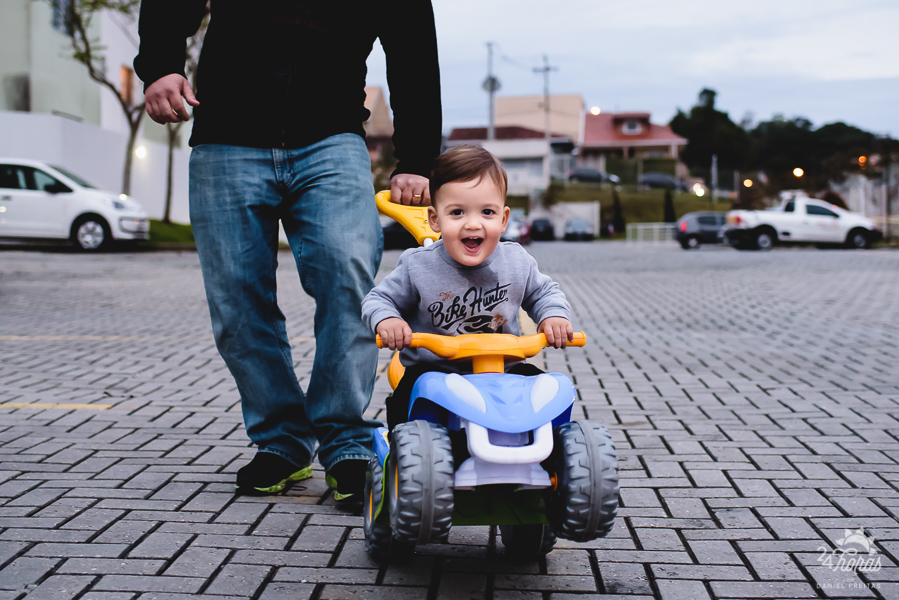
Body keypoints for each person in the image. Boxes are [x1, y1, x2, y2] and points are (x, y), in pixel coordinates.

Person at [134, 1, 442, 499]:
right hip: (226, 137)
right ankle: (281, 440)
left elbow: (414, 51)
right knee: (236, 300)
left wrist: (418, 157)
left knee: (349, 281)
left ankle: (346, 441)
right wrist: (160, 64)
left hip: (332, 138)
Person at [361, 145, 574, 429]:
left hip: (503, 368)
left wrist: (554, 316)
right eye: (457, 212)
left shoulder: (516, 260)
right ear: (434, 219)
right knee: (406, 399)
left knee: (544, 392)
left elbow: (544, 293)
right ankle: (405, 447)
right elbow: (378, 299)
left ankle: (553, 445)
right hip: (435, 368)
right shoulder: (417, 265)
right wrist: (388, 320)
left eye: (487, 212)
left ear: (503, 219)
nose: (473, 224)